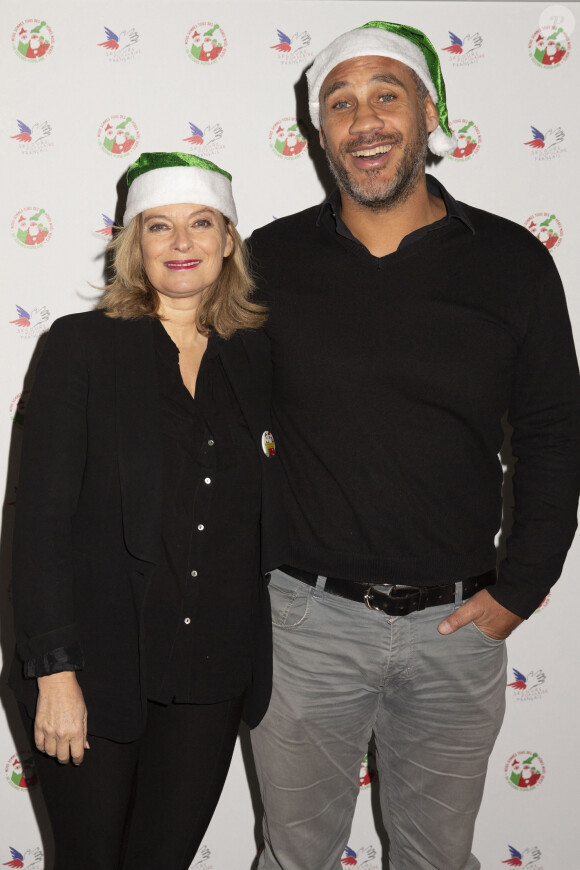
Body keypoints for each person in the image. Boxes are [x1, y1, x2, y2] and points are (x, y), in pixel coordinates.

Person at [248, 21, 580, 870]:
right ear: (318, 132)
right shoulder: (268, 260)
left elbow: (552, 433)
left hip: (458, 628)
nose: (365, 121)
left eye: (385, 96)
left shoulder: (510, 260)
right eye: (341, 103)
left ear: (430, 112)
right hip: (303, 625)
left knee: (438, 860)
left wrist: (521, 589)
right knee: (295, 860)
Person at [10, 152, 286, 870]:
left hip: (212, 671)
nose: (183, 243)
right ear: (134, 244)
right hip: (94, 672)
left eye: (202, 224)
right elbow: (37, 523)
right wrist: (54, 673)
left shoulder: (255, 353)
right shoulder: (82, 346)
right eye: (159, 227)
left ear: (229, 240)